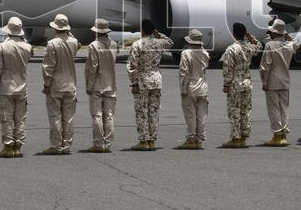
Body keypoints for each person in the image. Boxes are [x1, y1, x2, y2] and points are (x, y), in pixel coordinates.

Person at [126, 19, 173, 151]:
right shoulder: (158, 43)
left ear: (143, 30)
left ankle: (143, 141)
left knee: (142, 111)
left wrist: (134, 83)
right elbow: (170, 43)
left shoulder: (138, 44)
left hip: (142, 81)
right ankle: (152, 140)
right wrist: (159, 35)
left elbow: (132, 66)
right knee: (154, 111)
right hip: (156, 80)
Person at [0, 17, 32, 157]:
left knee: (7, 118)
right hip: (22, 85)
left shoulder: (2, 46)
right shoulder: (27, 47)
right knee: (20, 118)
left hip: (6, 86)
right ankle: (18, 146)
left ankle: (8, 147)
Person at [42, 14, 80, 155]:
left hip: (56, 85)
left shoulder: (52, 44)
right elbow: (76, 42)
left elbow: (48, 67)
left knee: (55, 116)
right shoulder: (74, 42)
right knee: (68, 117)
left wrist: (47, 84)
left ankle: (56, 145)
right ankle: (67, 144)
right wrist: (68, 33)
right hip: (71, 84)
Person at [221, 23, 260, 148]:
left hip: (235, 83)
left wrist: (226, 84)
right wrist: (251, 37)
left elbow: (228, 69)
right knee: (245, 110)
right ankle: (244, 136)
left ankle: (236, 138)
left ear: (234, 34)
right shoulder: (249, 47)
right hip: (247, 81)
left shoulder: (231, 49)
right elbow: (258, 46)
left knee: (234, 111)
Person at [260, 19, 297, 146]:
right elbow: (296, 44)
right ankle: (284, 135)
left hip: (272, 81)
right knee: (284, 109)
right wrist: (287, 36)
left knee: (274, 109)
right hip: (285, 81)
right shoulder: (289, 45)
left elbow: (265, 66)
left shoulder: (270, 45)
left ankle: (277, 134)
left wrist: (264, 81)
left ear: (274, 33)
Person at [85, 19, 119, 153]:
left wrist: (89, 85)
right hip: (111, 83)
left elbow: (92, 68)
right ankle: (108, 143)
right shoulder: (114, 44)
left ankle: (99, 144)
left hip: (97, 84)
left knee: (97, 115)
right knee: (109, 115)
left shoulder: (94, 45)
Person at [177, 29, 211, 150]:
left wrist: (183, 88)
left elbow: (184, 72)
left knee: (190, 115)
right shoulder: (205, 53)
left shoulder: (186, 53)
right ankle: (199, 139)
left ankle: (191, 138)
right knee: (201, 115)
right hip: (202, 86)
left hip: (190, 86)